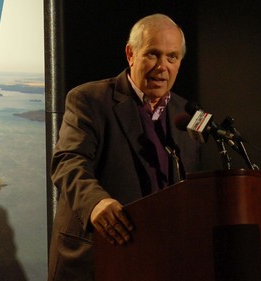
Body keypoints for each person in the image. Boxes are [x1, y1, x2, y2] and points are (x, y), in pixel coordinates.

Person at [48, 13, 202, 280]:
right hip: (97, 257)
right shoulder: (89, 100)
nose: (162, 66)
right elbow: (68, 161)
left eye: (172, 57)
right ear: (131, 54)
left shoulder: (186, 115)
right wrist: (96, 202)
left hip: (160, 262)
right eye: (153, 54)